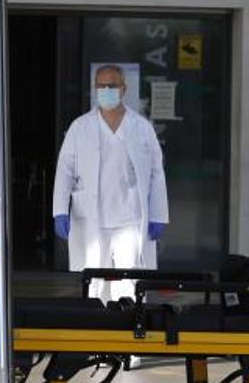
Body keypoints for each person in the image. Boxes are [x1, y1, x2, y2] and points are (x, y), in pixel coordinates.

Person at [52, 64, 168, 304]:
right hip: (92, 218)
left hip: (130, 218)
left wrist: (158, 214)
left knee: (130, 280)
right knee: (94, 281)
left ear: (124, 89)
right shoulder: (80, 127)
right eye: (101, 86)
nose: (106, 90)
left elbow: (156, 173)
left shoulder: (141, 127)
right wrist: (60, 211)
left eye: (112, 86)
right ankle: (96, 323)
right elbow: (64, 170)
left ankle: (131, 324)